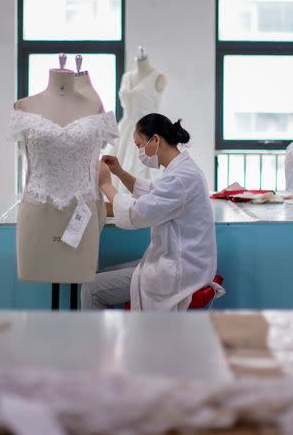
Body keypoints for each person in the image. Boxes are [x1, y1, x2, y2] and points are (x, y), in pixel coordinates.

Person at [81, 113, 217, 311]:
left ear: (155, 140)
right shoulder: (181, 170)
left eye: (139, 145)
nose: (139, 152)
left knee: (91, 288)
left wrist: (105, 184)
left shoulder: (181, 178)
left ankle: (96, 341)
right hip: (180, 260)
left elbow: (136, 214)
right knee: (104, 273)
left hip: (179, 269)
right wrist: (119, 171)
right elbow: (152, 191)